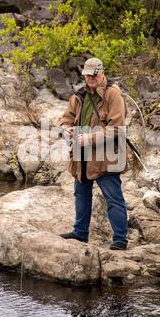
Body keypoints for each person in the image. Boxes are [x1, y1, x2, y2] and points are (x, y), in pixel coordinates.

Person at [59, 57, 128, 250]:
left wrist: (90, 138)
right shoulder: (79, 95)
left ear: (101, 72)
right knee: (81, 194)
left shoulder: (113, 94)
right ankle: (80, 233)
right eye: (87, 75)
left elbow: (117, 129)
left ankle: (120, 240)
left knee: (113, 197)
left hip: (107, 156)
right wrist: (67, 129)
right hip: (81, 155)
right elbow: (66, 119)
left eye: (93, 74)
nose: (90, 78)